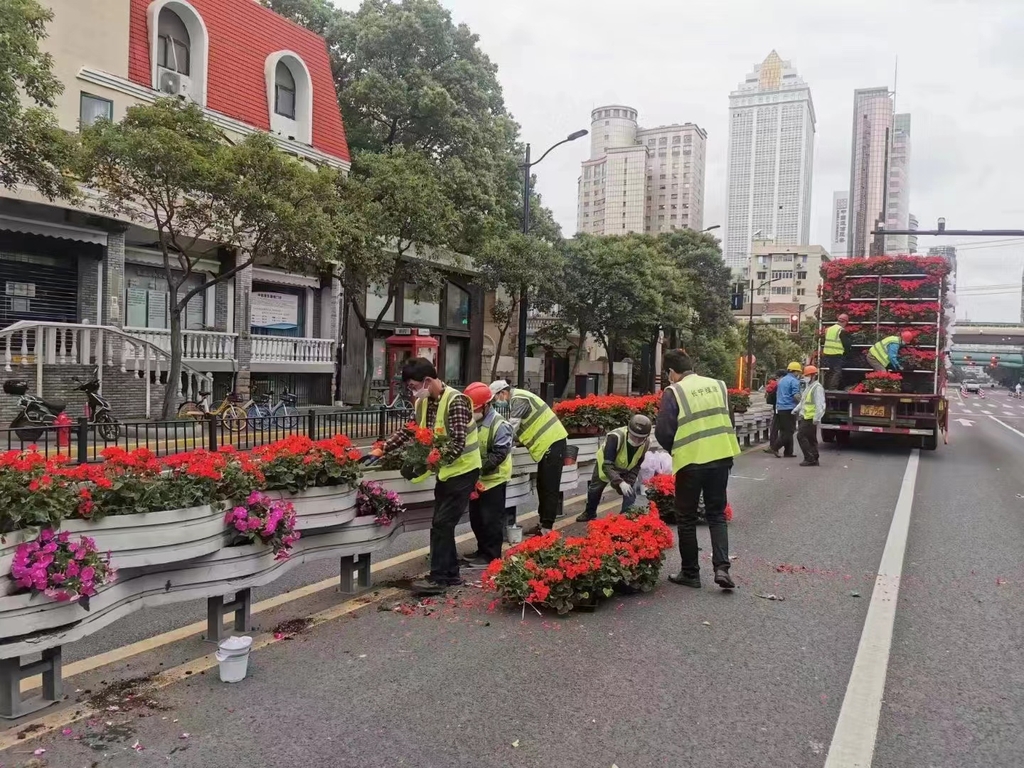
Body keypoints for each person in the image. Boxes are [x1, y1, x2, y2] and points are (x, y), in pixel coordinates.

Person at [370, 358, 481, 595]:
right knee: (441, 524)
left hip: (463, 471)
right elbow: (411, 430)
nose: (412, 391)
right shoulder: (424, 404)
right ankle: (449, 575)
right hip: (446, 473)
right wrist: (383, 448)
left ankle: (439, 578)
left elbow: (458, 443)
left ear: (428, 381)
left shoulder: (456, 401)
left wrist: (429, 462)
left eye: (413, 386)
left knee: (442, 523)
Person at [655, 349, 740, 590]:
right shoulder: (719, 386)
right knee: (716, 514)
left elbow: (663, 431)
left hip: (691, 462)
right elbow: (730, 420)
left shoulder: (674, 391)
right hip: (721, 456)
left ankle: (691, 573)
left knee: (686, 517)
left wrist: (678, 448)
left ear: (672, 372)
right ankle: (722, 568)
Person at [489, 380, 568, 536]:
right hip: (547, 445)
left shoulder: (519, 399)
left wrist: (499, 444)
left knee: (549, 487)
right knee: (542, 485)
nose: (495, 402)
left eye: (495, 399)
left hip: (553, 442)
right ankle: (543, 524)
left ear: (503, 393)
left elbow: (512, 427)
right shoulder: (516, 399)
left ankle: (547, 528)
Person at [461, 382, 514, 567]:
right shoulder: (474, 422)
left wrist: (478, 468)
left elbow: (499, 454)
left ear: (485, 405)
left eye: (474, 409)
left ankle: (491, 556)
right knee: (477, 519)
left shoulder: (500, 425)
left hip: (494, 479)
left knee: (490, 519)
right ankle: (482, 550)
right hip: (477, 478)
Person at [576, 414, 652, 522]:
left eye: (640, 438)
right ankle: (589, 513)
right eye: (634, 436)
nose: (636, 440)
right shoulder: (615, 437)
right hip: (606, 466)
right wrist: (620, 482)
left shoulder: (647, 443)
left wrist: (631, 478)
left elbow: (637, 464)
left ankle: (626, 517)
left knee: (630, 491)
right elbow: (607, 466)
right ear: (628, 431)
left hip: (626, 468)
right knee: (595, 490)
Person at [765, 362, 803, 459]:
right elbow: (796, 395)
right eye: (798, 372)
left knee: (785, 430)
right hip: (789, 408)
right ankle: (775, 447)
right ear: (795, 371)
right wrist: (803, 403)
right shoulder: (794, 381)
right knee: (789, 431)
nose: (798, 374)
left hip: (780, 408)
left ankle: (788, 452)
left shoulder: (782, 380)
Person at [794, 365, 825, 467]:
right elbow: (804, 401)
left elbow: (820, 405)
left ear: (813, 375)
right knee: (811, 439)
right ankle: (815, 458)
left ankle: (809, 458)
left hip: (810, 418)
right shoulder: (809, 387)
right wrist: (796, 409)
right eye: (805, 375)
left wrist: (816, 418)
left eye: (807, 375)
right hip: (807, 416)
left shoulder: (817, 388)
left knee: (800, 436)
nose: (806, 377)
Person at [822, 314, 852, 390]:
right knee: (836, 372)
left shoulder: (829, 329)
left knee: (830, 371)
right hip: (836, 353)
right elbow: (846, 344)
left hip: (827, 353)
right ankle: (832, 389)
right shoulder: (841, 330)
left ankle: (826, 387)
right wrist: (847, 353)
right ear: (845, 322)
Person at [766, 369, 786, 447]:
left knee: (775, 429)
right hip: (782, 408)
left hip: (778, 409)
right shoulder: (781, 384)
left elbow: (770, 399)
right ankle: (786, 450)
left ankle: (773, 446)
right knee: (785, 430)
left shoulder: (778, 384)